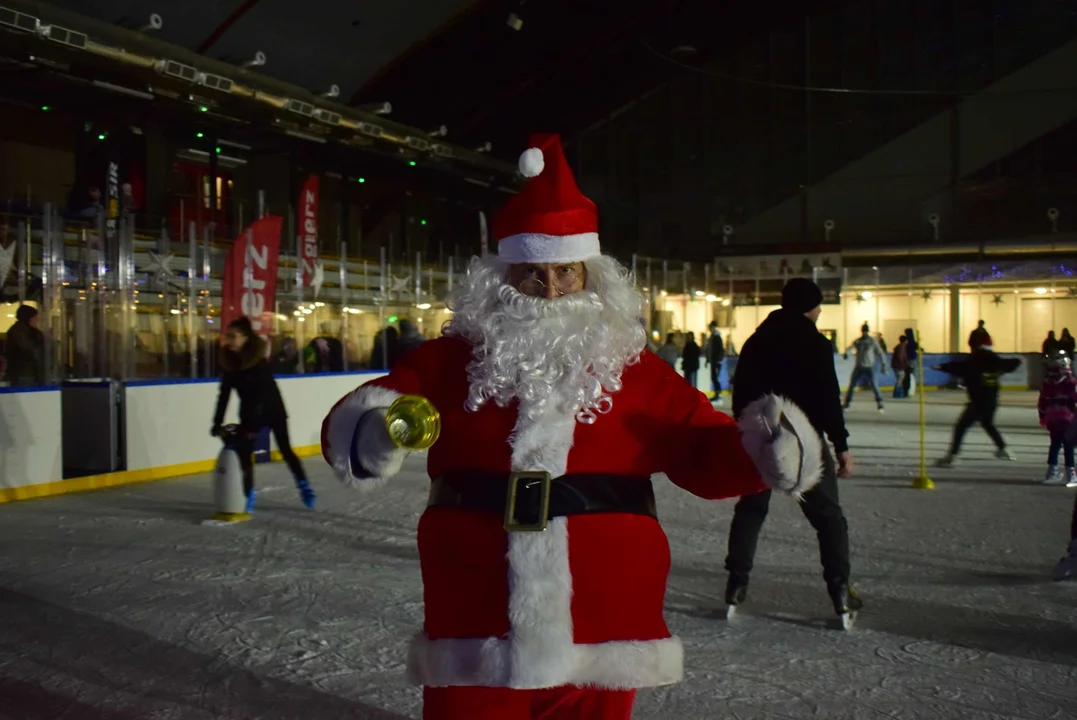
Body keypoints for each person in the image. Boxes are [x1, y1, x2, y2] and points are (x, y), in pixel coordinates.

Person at [320, 134, 820, 720]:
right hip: (476, 614)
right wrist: (376, 430)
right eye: (533, 274)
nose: (551, 292)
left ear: (593, 277)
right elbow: (363, 415)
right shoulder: (449, 361)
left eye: (566, 274)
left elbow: (701, 448)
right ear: (502, 279)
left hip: (604, 617)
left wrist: (761, 452)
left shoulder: (635, 371)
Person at [724, 277, 862, 623]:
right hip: (805, 440)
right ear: (809, 307)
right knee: (829, 517)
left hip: (760, 436)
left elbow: (740, 393)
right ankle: (840, 590)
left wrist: (747, 431)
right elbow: (827, 396)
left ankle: (736, 585)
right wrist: (840, 444)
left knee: (751, 511)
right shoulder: (814, 342)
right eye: (817, 307)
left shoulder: (756, 341)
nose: (818, 313)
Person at [213, 317, 315, 512]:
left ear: (245, 338)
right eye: (228, 336)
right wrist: (216, 422)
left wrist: (252, 426)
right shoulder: (230, 365)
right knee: (244, 453)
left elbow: (262, 395)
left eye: (233, 336)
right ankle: (248, 493)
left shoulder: (258, 364)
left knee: (285, 450)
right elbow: (224, 395)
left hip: (272, 409)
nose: (229, 340)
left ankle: (304, 486)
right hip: (249, 412)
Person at [934, 333, 1020, 466]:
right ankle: (1004, 448)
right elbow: (1014, 363)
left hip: (978, 402)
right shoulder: (994, 359)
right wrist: (1002, 369)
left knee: (961, 427)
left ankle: (953, 456)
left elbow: (962, 368)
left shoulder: (977, 359)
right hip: (991, 401)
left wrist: (942, 367)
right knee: (987, 424)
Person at [1039, 350, 1077, 487]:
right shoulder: (1071, 381)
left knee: (1055, 444)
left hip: (1052, 418)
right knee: (1068, 445)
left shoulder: (1046, 382)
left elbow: (1042, 401)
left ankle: (1051, 472)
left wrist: (1043, 416)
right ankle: (1071, 474)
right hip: (1067, 418)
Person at [842, 323, 887, 412]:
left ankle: (880, 403)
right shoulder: (858, 341)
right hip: (859, 367)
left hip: (869, 367)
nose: (864, 333)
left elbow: (880, 353)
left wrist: (884, 364)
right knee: (852, 385)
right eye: (863, 331)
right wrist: (847, 353)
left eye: (866, 331)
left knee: (874, 385)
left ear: (867, 331)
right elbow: (851, 347)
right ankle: (847, 404)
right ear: (862, 331)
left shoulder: (872, 341)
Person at [4, 305, 45, 387]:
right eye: (35, 317)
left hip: (27, 373)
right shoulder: (19, 331)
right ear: (29, 318)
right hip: (23, 373)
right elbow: (28, 349)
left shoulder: (28, 331)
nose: (37, 320)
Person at [705, 321, 726, 402]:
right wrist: (708, 359)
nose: (710, 329)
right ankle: (717, 393)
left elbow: (719, 349)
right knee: (713, 377)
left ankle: (718, 393)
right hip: (713, 361)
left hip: (716, 361)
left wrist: (718, 360)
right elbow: (710, 350)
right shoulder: (712, 337)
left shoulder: (716, 337)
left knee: (715, 377)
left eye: (711, 327)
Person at [902, 327, 919, 396]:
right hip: (913, 359)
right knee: (912, 375)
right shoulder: (913, 342)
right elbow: (918, 347)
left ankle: (908, 389)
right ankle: (911, 390)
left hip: (908, 360)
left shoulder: (906, 342)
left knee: (908, 375)